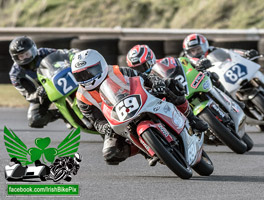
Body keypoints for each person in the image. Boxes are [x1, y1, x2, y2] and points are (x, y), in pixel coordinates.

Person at [71, 49, 202, 166]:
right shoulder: (82, 97)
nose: (86, 78)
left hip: (140, 99)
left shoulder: (118, 71)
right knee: (111, 154)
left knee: (172, 85)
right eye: (80, 75)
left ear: (101, 65)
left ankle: (192, 117)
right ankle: (147, 148)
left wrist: (156, 83)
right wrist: (105, 127)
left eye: (89, 72)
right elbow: (96, 121)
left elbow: (145, 78)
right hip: (117, 121)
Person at [126, 44, 209, 132]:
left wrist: (197, 62)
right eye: (137, 69)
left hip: (171, 93)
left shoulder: (165, 61)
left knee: (174, 85)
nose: (141, 70)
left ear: (151, 59)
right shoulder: (133, 78)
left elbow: (184, 61)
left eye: (143, 66)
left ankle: (192, 119)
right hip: (150, 100)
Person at [9, 36, 78, 128]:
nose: (25, 58)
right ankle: (62, 113)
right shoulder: (15, 74)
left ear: (33, 50)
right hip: (43, 94)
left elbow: (63, 53)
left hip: (60, 81)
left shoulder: (43, 52)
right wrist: (38, 93)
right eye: (21, 56)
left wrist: (74, 54)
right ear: (15, 58)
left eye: (27, 54)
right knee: (34, 119)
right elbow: (28, 95)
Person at [181, 34, 252, 108]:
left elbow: (230, 52)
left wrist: (245, 53)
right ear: (188, 52)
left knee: (213, 76)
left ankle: (233, 101)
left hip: (220, 73)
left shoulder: (211, 50)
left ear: (205, 46)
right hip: (197, 81)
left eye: (198, 49)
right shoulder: (185, 60)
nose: (196, 52)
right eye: (193, 50)